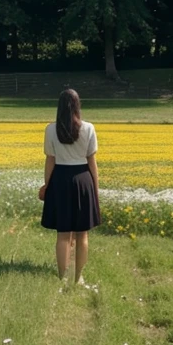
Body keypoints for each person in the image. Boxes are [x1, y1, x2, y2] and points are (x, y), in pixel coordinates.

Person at [39, 89, 101, 283]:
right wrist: (95, 190)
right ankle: (78, 278)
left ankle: (61, 276)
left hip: (60, 180)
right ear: (77, 106)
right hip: (83, 179)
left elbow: (50, 161)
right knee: (82, 234)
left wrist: (46, 186)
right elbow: (92, 162)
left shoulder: (50, 129)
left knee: (63, 234)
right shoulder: (89, 128)